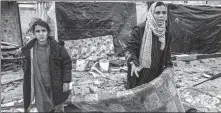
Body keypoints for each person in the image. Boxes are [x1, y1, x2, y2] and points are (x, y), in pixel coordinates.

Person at [21, 18, 72, 112]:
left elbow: (66, 63)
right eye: (38, 31)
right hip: (39, 85)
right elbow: (27, 69)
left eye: (43, 30)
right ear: (34, 33)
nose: (41, 34)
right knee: (43, 107)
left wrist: (66, 81)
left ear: (48, 32)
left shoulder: (57, 47)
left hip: (55, 83)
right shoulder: (29, 50)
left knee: (57, 106)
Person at [125, 1, 173, 89]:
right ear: (151, 13)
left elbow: (167, 53)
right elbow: (130, 49)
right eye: (157, 12)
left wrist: (169, 67)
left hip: (157, 73)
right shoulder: (140, 30)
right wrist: (133, 63)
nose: (161, 15)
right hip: (139, 72)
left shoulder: (166, 33)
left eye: (164, 12)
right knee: (138, 97)